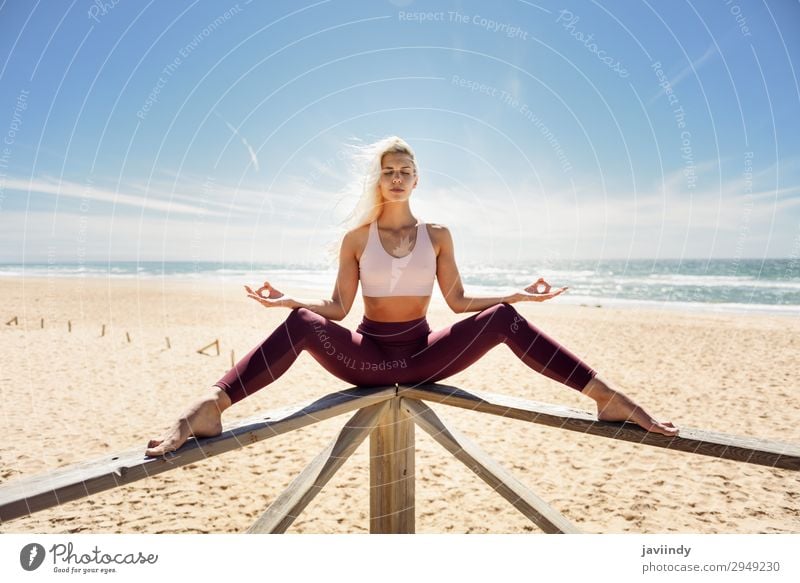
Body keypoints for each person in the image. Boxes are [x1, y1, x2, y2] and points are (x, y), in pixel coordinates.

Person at [146, 136, 677, 457]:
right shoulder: (357, 240)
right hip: (367, 357)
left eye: (405, 171)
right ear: (378, 181)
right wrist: (289, 303)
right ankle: (214, 405)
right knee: (302, 323)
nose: (397, 178)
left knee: (503, 317)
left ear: (416, 178)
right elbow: (336, 311)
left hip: (424, 355)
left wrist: (517, 296)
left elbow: (460, 304)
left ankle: (605, 397)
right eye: (388, 172)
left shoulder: (438, 235)